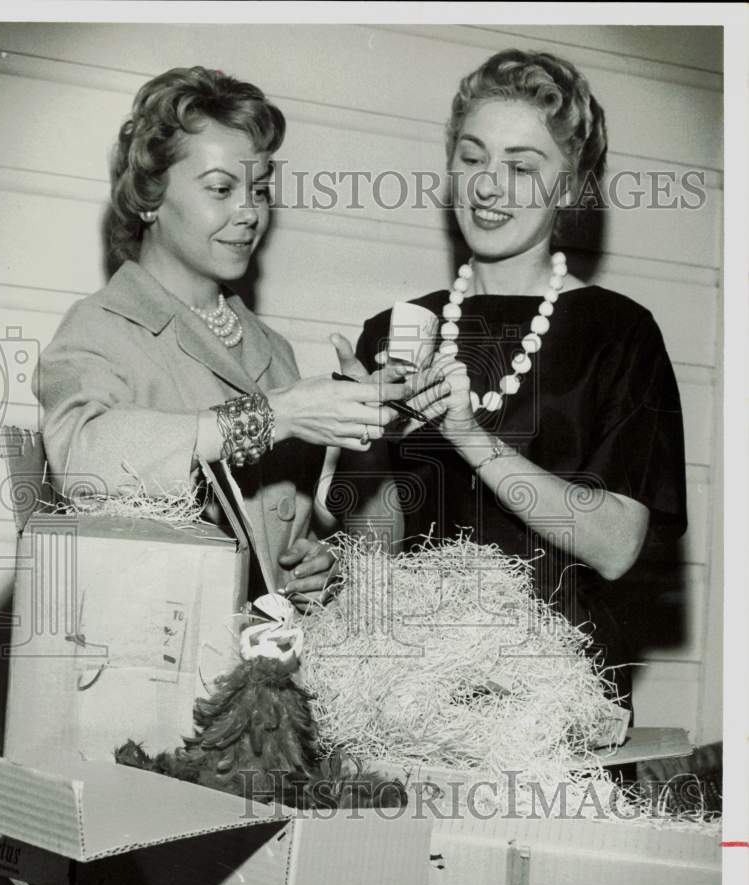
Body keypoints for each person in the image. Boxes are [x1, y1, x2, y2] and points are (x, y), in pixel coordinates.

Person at [331, 49, 687, 709]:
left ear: (571, 187)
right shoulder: (397, 330)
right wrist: (368, 435)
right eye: (471, 158)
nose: (487, 186)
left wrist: (468, 437)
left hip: (562, 704)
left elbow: (614, 544)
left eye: (521, 167)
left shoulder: (619, 334)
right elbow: (370, 564)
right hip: (417, 697)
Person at [35, 66, 409, 610]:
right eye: (221, 189)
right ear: (148, 197)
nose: (250, 212)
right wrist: (270, 417)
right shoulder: (102, 325)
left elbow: (306, 545)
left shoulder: (272, 350)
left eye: (258, 189)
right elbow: (83, 463)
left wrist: (318, 566)